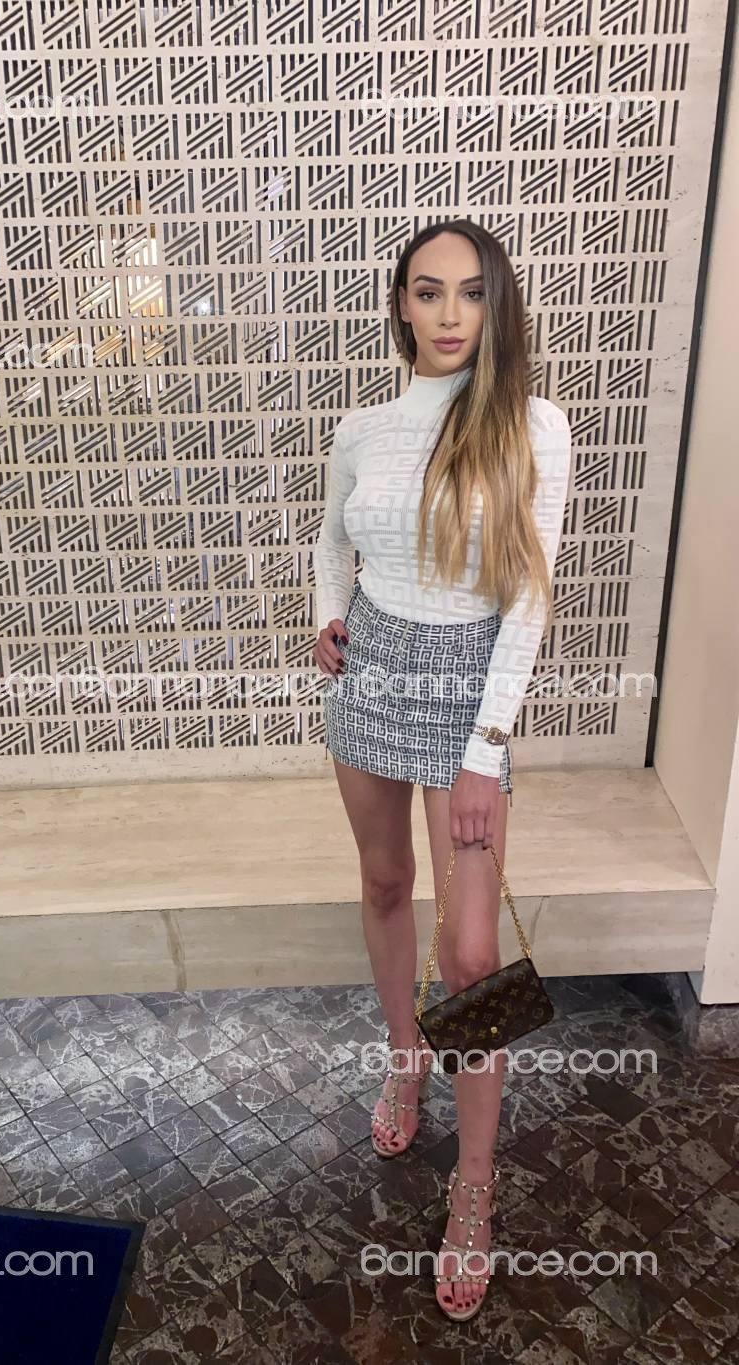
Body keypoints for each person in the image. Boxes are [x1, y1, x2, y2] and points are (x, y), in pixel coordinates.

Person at [312, 219, 572, 1321]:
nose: (451, 312)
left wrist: (484, 752)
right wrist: (327, 613)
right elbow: (331, 539)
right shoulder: (363, 427)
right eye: (429, 291)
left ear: (494, 304)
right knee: (383, 883)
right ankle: (401, 1054)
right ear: (402, 306)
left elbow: (527, 600)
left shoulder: (531, 425)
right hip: (371, 674)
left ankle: (472, 1187)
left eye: (470, 292)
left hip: (470, 689)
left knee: (470, 956)